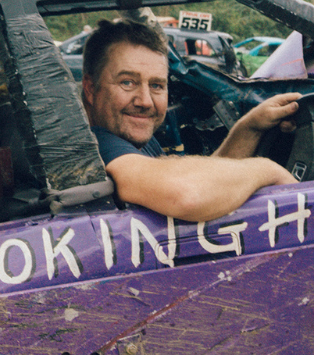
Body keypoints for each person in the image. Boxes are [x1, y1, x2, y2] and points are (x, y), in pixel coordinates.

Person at [81, 19, 299, 222]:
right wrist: (267, 170)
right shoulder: (97, 145)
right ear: (91, 89)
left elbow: (207, 185)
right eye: (127, 82)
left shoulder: (125, 135)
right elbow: (186, 194)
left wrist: (249, 128)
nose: (145, 101)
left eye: (156, 85)